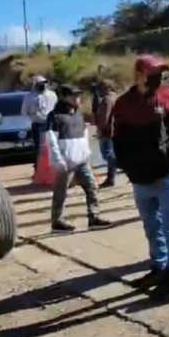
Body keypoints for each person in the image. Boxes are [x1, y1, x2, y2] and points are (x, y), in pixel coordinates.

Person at [112, 55, 169, 298]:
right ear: (139, 75)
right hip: (139, 178)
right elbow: (118, 139)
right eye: (153, 73)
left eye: (160, 74)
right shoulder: (123, 104)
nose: (158, 78)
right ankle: (158, 266)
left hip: (167, 175)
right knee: (151, 226)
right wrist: (127, 166)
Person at [47, 85, 112, 233]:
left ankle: (94, 218)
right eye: (74, 95)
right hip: (66, 162)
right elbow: (50, 140)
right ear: (64, 97)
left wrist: (87, 154)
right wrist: (58, 160)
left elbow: (84, 135)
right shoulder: (55, 116)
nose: (78, 98)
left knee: (91, 187)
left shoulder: (78, 114)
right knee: (61, 192)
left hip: (82, 160)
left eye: (78, 95)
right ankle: (57, 221)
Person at [21, 75, 57, 166]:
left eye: (44, 83)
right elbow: (24, 112)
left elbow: (56, 108)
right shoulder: (29, 97)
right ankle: (40, 166)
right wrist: (33, 117)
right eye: (40, 84)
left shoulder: (52, 95)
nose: (43, 85)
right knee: (39, 147)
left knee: (54, 145)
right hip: (38, 125)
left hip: (52, 124)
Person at [94, 80, 118, 188]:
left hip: (107, 132)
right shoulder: (116, 97)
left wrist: (100, 130)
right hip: (116, 130)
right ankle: (111, 177)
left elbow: (105, 117)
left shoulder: (106, 100)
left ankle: (111, 178)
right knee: (112, 154)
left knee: (107, 154)